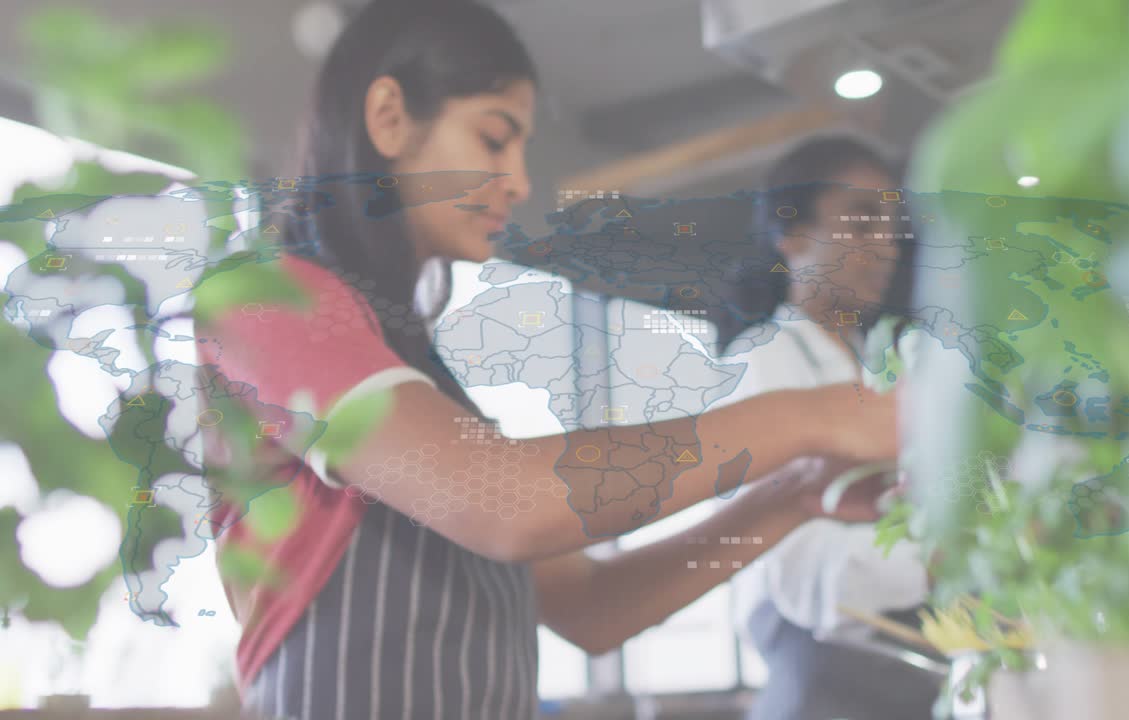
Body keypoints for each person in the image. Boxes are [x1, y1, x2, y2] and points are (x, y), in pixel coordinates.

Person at [192, 3, 900, 719]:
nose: (520, 180)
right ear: (388, 116)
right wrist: (816, 415)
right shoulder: (263, 303)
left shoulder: (428, 394)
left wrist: (793, 497)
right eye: (494, 139)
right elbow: (510, 502)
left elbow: (594, 609)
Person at [715, 135, 941, 720]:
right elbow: (796, 560)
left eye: (890, 227)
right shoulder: (762, 359)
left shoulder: (878, 363)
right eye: (861, 223)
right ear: (791, 236)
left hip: (899, 659)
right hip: (820, 669)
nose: (885, 246)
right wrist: (935, 562)